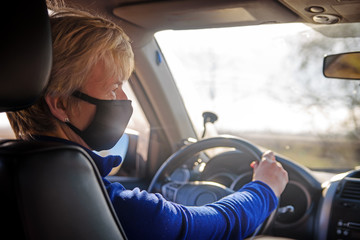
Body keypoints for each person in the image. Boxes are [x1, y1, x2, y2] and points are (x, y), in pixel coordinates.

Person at [7, 6, 288, 240]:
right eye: (113, 87)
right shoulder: (99, 202)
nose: (123, 98)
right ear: (60, 104)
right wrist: (265, 188)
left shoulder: (15, 172)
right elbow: (219, 224)